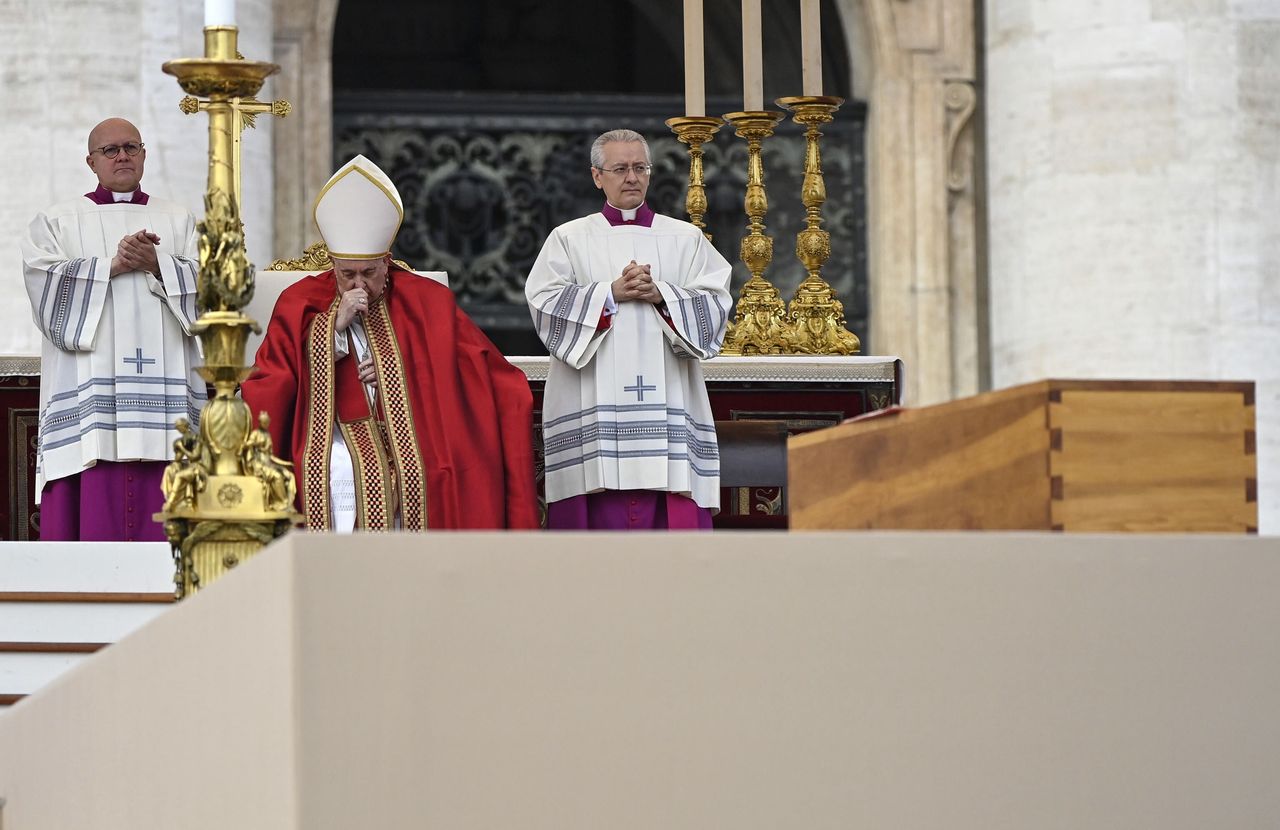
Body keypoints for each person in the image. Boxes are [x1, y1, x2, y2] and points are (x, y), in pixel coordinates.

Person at [240, 155, 539, 531]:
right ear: (332, 266)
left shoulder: (426, 300)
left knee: (427, 470)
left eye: (369, 272)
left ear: (388, 262)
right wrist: (331, 331)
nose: (358, 285)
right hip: (331, 435)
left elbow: (477, 372)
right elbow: (271, 379)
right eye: (347, 274)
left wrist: (397, 377)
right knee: (338, 469)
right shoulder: (301, 301)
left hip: (416, 430)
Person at [525, 129, 733, 529]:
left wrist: (662, 295)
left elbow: (716, 304)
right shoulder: (569, 238)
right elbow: (544, 303)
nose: (631, 177)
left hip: (670, 404)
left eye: (640, 167)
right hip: (592, 410)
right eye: (620, 168)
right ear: (597, 175)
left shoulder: (686, 238)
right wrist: (609, 293)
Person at [21, 117, 204, 541]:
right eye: (110, 150)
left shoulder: (178, 219)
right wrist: (113, 266)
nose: (122, 156)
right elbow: (42, 284)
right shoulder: (57, 221)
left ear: (143, 154)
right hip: (93, 399)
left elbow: (213, 291)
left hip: (166, 399)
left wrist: (159, 265)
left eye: (131, 147)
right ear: (91, 161)